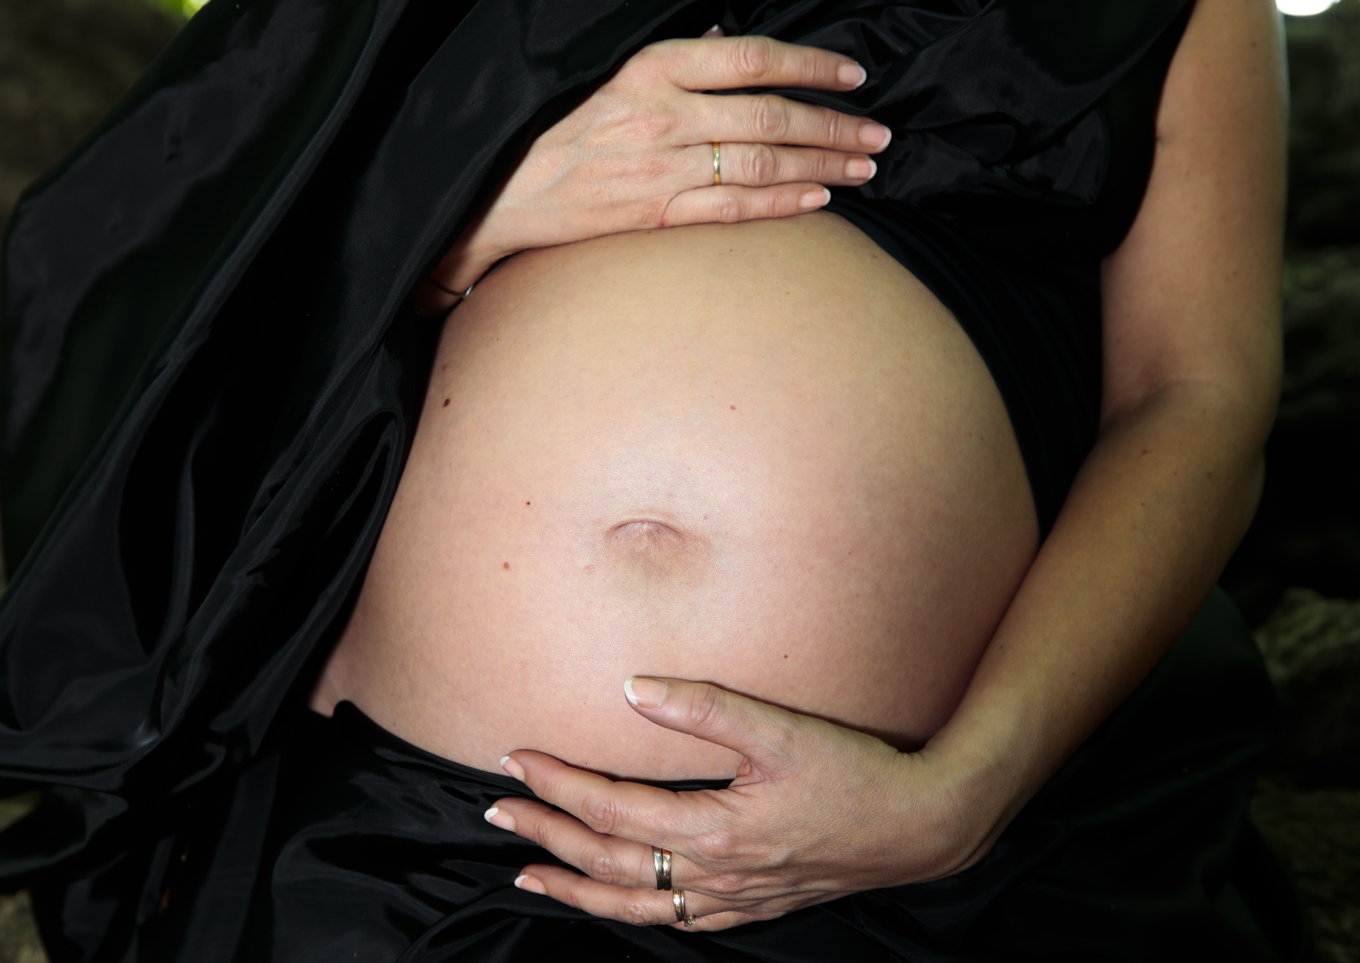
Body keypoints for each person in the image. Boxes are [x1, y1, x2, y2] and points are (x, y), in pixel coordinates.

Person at [0, 0, 1300, 960]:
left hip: (903, 845)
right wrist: (464, 209)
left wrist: (959, 797)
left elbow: (1195, 400)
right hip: (402, 836)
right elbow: (140, 256)